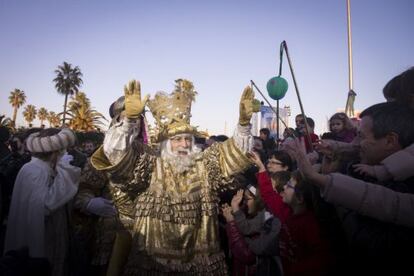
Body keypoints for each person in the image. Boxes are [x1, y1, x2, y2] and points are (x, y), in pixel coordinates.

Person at [91, 79, 260, 274]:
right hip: (152, 264)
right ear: (164, 144)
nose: (184, 144)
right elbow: (116, 154)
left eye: (188, 139)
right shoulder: (149, 163)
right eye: (177, 139)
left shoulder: (204, 164)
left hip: (199, 264)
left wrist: (244, 125)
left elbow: (231, 156)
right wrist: (128, 121)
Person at [292, 102, 414, 274]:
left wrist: (333, 185)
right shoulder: (357, 169)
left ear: (389, 141)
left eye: (362, 137)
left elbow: (365, 245)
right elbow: (328, 225)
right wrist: (325, 178)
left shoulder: (404, 190)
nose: (356, 144)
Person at [4, 128, 81, 276]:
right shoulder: (36, 171)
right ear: (53, 152)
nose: (66, 153)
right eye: (63, 150)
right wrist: (65, 171)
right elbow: (45, 206)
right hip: (41, 245)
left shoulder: (42, 168)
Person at [249, 151, 331, 276]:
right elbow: (268, 194)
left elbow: (320, 259)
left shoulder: (310, 225)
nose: (283, 188)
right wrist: (261, 166)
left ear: (299, 198)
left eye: (289, 186)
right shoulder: (286, 212)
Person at [221, 188, 282, 276]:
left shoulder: (264, 218)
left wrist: (231, 221)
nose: (245, 202)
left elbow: (247, 255)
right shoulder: (252, 215)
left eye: (247, 199)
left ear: (257, 200)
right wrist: (234, 211)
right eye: (244, 200)